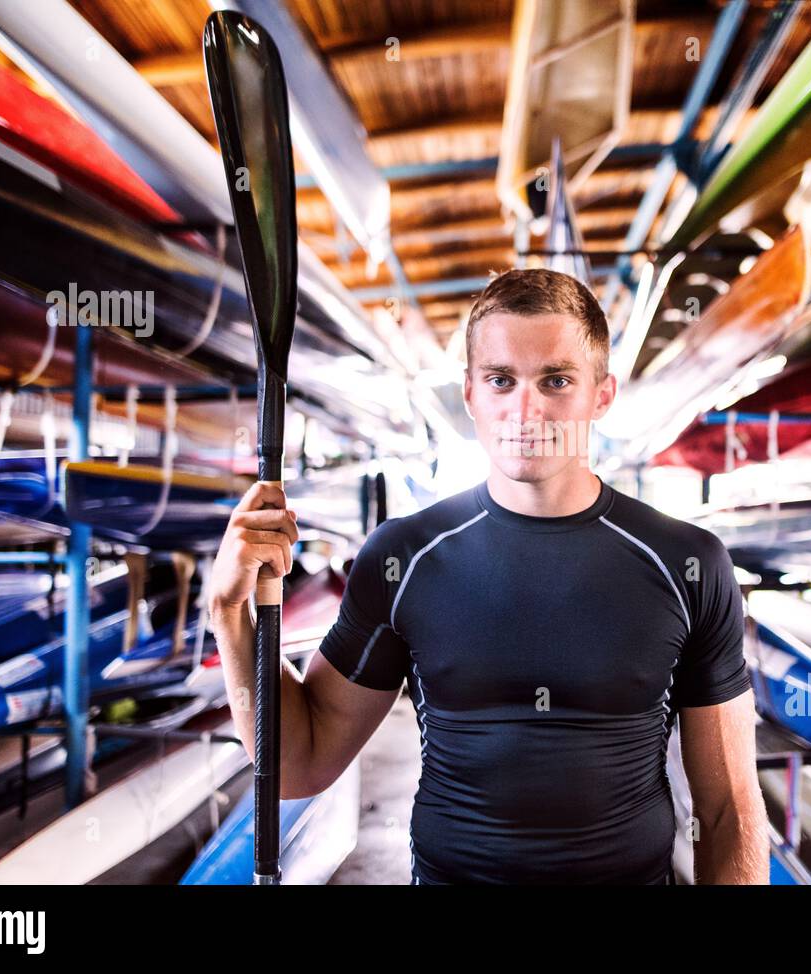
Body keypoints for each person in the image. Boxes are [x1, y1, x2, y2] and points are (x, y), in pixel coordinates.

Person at [209, 268, 768, 884]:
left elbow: (728, 813)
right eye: (501, 380)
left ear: (601, 396)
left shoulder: (686, 564)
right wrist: (230, 614)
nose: (525, 409)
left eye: (556, 380)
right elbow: (298, 761)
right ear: (471, 394)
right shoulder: (405, 558)